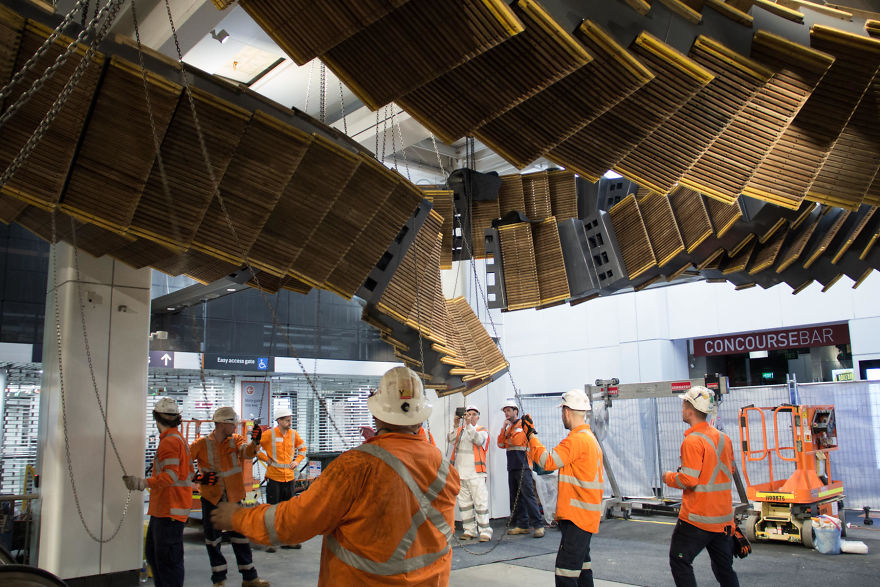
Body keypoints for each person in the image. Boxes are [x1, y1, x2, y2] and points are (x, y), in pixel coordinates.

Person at [209, 366, 460, 586]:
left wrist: (239, 518)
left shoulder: (355, 466)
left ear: (377, 414)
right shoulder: (443, 466)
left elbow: (293, 522)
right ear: (420, 416)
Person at [521, 389, 604, 587]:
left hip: (577, 518)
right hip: (584, 516)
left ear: (567, 412)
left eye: (562, 412)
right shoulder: (589, 438)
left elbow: (546, 461)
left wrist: (531, 435)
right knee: (582, 570)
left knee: (565, 575)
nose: (562, 416)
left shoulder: (576, 440)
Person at [663, 386, 739, 587]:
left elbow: (689, 480)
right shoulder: (724, 438)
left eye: (684, 404)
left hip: (697, 518)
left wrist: (669, 477)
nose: (682, 408)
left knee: (680, 560)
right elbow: (729, 470)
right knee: (724, 568)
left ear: (690, 409)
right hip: (723, 520)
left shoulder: (692, 441)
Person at [190, 407, 269, 587]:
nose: (235, 426)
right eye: (232, 423)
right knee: (213, 540)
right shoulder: (200, 444)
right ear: (222, 423)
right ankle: (219, 580)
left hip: (233, 497)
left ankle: (250, 578)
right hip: (211, 498)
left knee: (240, 537)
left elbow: (247, 453)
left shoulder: (235, 441)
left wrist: (255, 441)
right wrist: (199, 478)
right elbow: (183, 466)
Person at [123, 397, 194, 587]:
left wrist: (141, 483)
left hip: (169, 511)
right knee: (156, 557)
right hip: (166, 510)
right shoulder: (177, 440)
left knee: (167, 563)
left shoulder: (170, 442)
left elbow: (170, 475)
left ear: (156, 418)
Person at [256, 406, 307, 552]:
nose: (289, 422)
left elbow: (302, 448)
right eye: (286, 420)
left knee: (288, 511)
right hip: (274, 477)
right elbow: (255, 449)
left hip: (289, 478)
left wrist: (297, 461)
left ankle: (288, 540)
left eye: (290, 420)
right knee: (272, 510)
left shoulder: (293, 434)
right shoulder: (268, 435)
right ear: (279, 420)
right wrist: (266, 459)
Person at [497, 399, 543, 537]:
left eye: (508, 410)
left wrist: (507, 439)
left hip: (523, 465)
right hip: (512, 465)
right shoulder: (509, 427)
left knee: (528, 496)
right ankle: (522, 525)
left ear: (515, 411)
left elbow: (516, 441)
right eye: (505, 411)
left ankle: (538, 525)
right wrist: (503, 430)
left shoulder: (523, 424)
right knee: (516, 497)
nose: (506, 413)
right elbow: (500, 444)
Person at [447, 405, 492, 541]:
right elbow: (450, 439)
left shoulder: (481, 430)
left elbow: (478, 440)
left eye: (473, 414)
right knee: (464, 504)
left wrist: (468, 426)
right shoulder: (460, 430)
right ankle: (469, 530)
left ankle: (485, 531)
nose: (470, 416)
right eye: (468, 414)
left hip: (476, 474)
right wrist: (455, 425)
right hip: (460, 474)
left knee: (480, 503)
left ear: (478, 417)